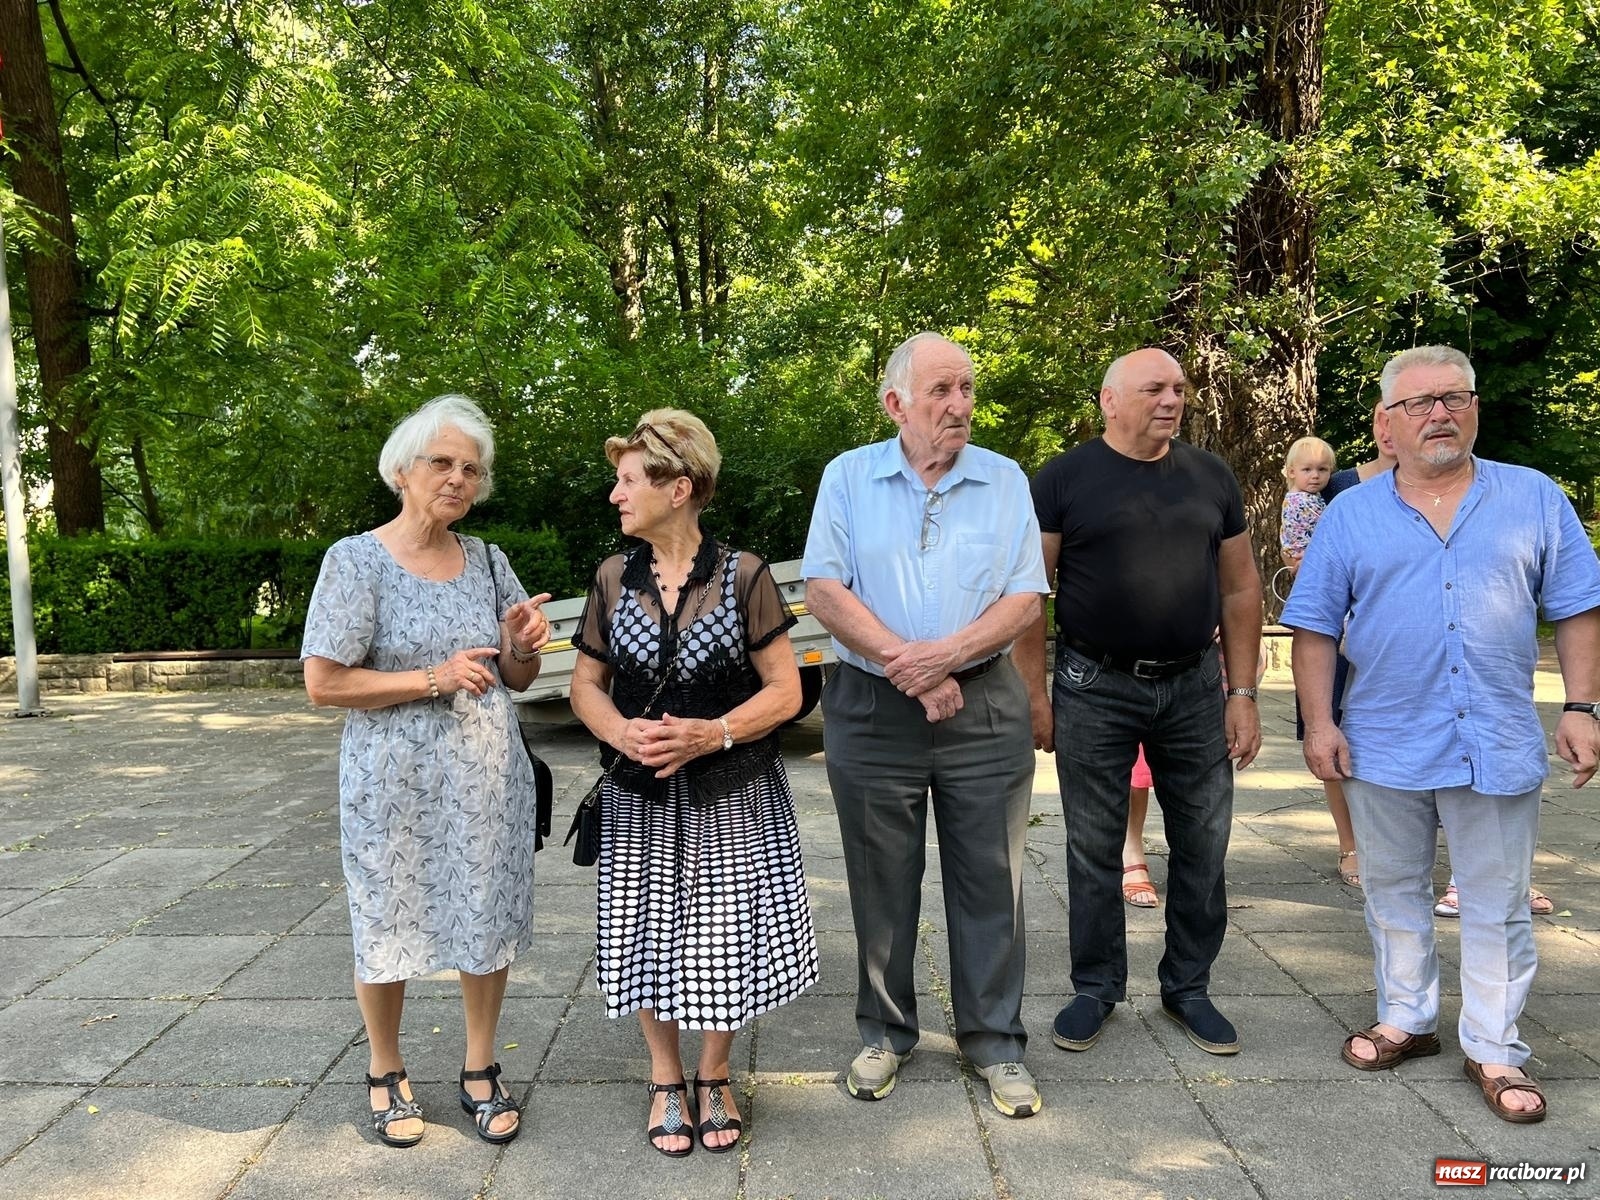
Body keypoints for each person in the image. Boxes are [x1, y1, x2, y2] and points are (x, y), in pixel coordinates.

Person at [1282, 345, 1600, 1125]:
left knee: (1497, 901)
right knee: (1393, 888)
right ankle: (1407, 1018)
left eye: (1454, 398)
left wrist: (1582, 707)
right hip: (1381, 737)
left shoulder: (1534, 498)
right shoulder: (1350, 513)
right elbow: (1314, 625)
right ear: (1385, 424)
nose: (1439, 414)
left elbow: (1577, 605)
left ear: (1475, 408)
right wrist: (1319, 723)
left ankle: (1495, 1046)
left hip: (1495, 734)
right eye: (1419, 403)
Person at [802, 331, 1050, 1119]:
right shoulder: (849, 477)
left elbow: (1025, 597)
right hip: (874, 707)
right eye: (941, 390)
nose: (959, 404)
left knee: (992, 878)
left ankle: (995, 1041)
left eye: (966, 388)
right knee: (880, 877)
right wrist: (907, 665)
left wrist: (943, 659)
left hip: (984, 704)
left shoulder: (1003, 479)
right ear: (895, 403)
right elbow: (824, 588)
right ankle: (885, 1031)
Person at [301, 394, 552, 1148]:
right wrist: (432, 679)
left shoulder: (489, 561)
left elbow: (517, 677)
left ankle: (480, 1066)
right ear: (402, 472)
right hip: (392, 785)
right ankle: (386, 1069)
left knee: (486, 913)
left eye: (471, 470)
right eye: (442, 463)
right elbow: (324, 683)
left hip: (486, 782)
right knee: (386, 918)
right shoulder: (355, 561)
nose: (458, 479)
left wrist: (523, 642)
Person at [569, 408, 819, 1157]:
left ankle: (714, 1075)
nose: (615, 495)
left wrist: (714, 733)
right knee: (643, 936)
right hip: (639, 796)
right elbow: (585, 686)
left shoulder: (744, 576)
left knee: (724, 938)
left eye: (627, 480)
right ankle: (664, 1078)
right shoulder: (613, 578)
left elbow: (786, 691)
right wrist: (620, 732)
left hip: (732, 792)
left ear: (678, 488)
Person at [1016, 347, 1262, 1059]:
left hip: (1195, 686)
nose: (1172, 400)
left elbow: (1241, 587)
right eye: (1154, 388)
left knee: (1203, 842)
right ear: (1110, 399)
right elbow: (1030, 595)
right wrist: (1035, 694)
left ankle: (1188, 987)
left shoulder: (1211, 476)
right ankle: (1096, 987)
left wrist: (1243, 692)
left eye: (1179, 388)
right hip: (1094, 684)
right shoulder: (1062, 479)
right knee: (1092, 846)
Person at [1279, 436, 1336, 576]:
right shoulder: (1304, 501)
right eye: (1307, 469)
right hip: (1313, 562)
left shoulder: (1292, 497)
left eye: (1322, 469)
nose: (1315, 475)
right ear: (1292, 472)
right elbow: (1333, 529)